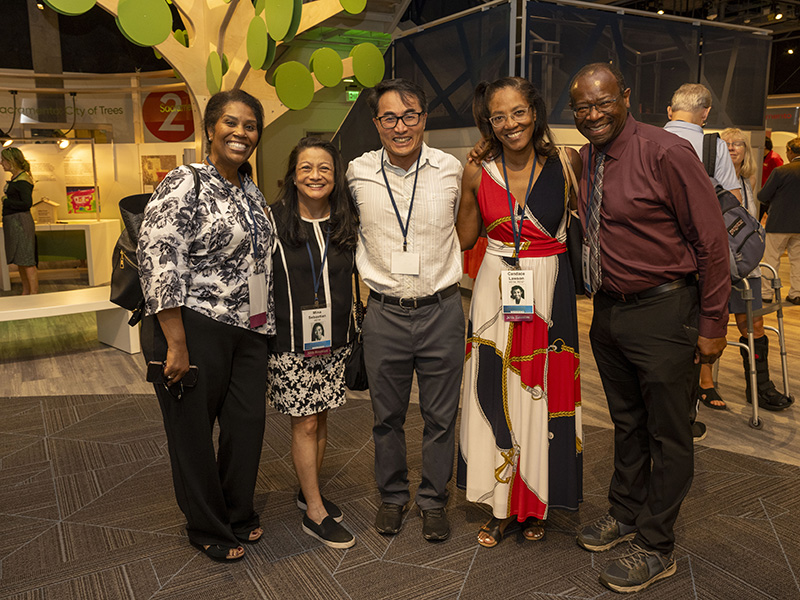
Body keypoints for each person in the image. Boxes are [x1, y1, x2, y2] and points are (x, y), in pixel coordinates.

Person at [569, 63, 730, 593]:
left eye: (602, 103)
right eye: (582, 108)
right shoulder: (590, 156)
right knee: (627, 423)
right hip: (611, 310)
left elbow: (712, 243)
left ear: (627, 97)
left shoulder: (666, 152)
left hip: (665, 311)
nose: (593, 115)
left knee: (670, 431)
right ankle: (625, 512)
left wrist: (712, 323)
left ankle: (657, 545)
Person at [138, 89, 274, 562]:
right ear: (210, 128)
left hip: (250, 328)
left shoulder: (251, 190)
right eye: (231, 123)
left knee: (247, 425)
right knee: (193, 431)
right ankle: (208, 525)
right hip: (194, 325)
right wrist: (175, 341)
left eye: (250, 126)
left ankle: (237, 512)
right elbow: (158, 258)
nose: (241, 133)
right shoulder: (185, 181)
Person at [456, 76, 583, 548]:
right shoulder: (477, 171)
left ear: (536, 112)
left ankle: (536, 502)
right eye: (499, 116)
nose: (511, 124)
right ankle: (500, 501)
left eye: (519, 112)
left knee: (543, 393)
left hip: (550, 290)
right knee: (495, 387)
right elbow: (467, 237)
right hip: (496, 289)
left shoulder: (565, 164)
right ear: (488, 122)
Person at [346, 78, 465, 542]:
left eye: (410, 115)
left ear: (424, 118)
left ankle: (434, 500)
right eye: (389, 117)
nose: (401, 126)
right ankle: (393, 497)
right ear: (376, 123)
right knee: (386, 417)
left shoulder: (451, 168)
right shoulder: (357, 173)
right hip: (385, 314)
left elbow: (468, 227)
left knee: (441, 416)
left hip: (442, 309)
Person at [268, 137, 359, 549]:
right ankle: (315, 513)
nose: (315, 175)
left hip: (333, 339)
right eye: (306, 168)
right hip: (290, 341)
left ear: (335, 175)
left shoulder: (346, 221)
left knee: (321, 418)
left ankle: (309, 493)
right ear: (293, 175)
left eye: (324, 168)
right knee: (304, 421)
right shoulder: (273, 222)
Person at [664, 83, 740, 419]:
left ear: (670, 110)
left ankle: (673, 412)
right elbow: (734, 200)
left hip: (661, 265)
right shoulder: (713, 146)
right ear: (706, 113)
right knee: (700, 333)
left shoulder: (649, 140)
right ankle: (693, 403)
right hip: (701, 260)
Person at [701, 130, 791, 411]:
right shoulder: (708, 182)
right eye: (726, 144)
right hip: (717, 267)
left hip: (747, 268)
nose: (732, 148)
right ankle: (704, 384)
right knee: (711, 326)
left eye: (738, 143)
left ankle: (760, 387)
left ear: (746, 150)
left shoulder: (747, 181)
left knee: (753, 325)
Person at [759, 137, 800, 307]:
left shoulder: (781, 171)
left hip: (778, 222)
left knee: (771, 259)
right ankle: (796, 294)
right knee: (797, 260)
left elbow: (762, 196)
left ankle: (766, 294)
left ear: (790, 151)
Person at [1, 147, 38, 295]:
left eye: (3, 160)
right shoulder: (17, 178)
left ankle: (33, 294)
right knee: (21, 260)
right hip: (14, 222)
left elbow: (26, 203)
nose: (1, 163)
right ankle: (25, 292)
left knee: (27, 260)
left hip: (21, 222)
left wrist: (6, 200)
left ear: (11, 161)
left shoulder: (23, 180)